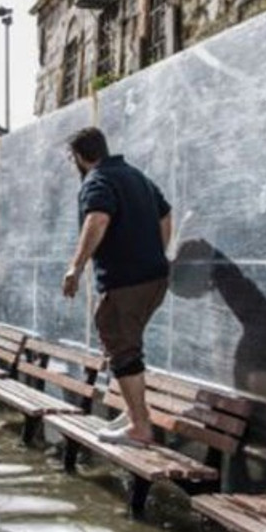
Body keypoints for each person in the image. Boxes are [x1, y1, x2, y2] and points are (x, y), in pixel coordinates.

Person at [60, 127, 172, 447]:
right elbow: (165, 215)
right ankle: (135, 413)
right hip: (154, 277)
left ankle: (140, 426)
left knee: (118, 342)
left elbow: (97, 220)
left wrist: (76, 267)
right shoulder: (135, 176)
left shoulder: (97, 181)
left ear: (80, 157)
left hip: (126, 280)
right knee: (127, 342)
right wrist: (156, 254)